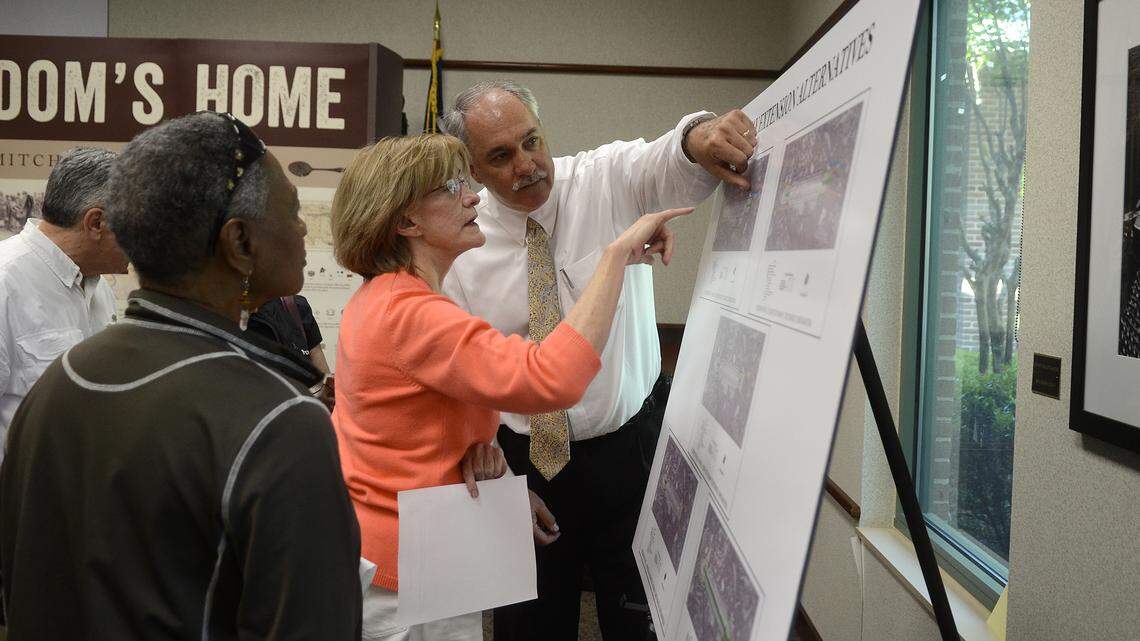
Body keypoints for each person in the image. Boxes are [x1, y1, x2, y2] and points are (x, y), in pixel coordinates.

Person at [0, 112, 363, 640]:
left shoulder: (63, 380)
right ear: (239, 243)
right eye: (291, 210)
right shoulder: (282, 422)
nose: (305, 227)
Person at [329, 133, 690, 641]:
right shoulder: (411, 314)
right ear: (408, 222)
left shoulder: (387, 297)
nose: (472, 195)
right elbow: (550, 377)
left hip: (415, 548)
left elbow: (413, 422)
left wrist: (481, 460)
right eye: (452, 187)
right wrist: (615, 258)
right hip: (407, 575)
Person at [438, 80, 757, 640]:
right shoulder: (461, 239)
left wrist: (703, 136)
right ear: (471, 167)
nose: (528, 165)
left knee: (640, 620)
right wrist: (500, 476)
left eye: (532, 141)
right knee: (531, 626)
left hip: (628, 450)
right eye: (501, 156)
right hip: (524, 457)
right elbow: (461, 373)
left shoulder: (604, 179)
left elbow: (668, 159)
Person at [0, 147, 127, 454]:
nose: (146, 238)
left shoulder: (100, 288)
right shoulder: (4, 283)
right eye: (136, 224)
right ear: (96, 223)